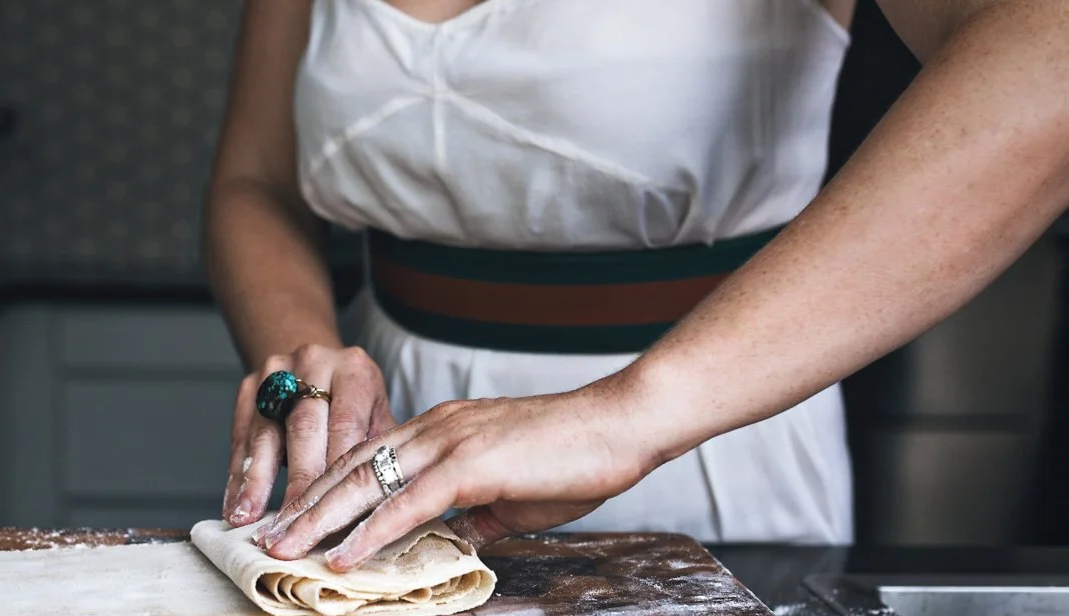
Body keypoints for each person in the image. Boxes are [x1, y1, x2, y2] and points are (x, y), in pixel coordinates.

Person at [205, 0, 1069, 571]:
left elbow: (1051, 60)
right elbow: (256, 182)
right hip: (388, 452)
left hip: (716, 438)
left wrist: (628, 413)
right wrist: (302, 362)